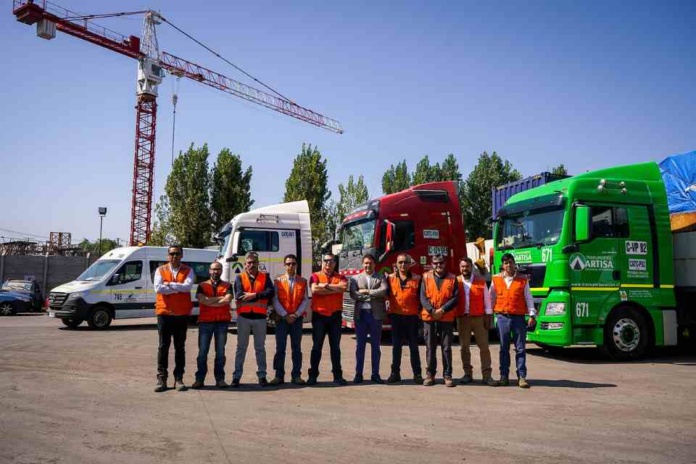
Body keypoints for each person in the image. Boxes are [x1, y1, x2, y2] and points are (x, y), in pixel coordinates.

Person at [490, 253, 536, 389]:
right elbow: (491, 297)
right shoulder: (496, 279)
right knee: (504, 348)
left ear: (514, 263)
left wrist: (532, 314)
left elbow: (528, 297)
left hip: (518, 318)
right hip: (502, 317)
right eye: (505, 263)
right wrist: (488, 314)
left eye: (510, 262)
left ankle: (521, 377)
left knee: (520, 348)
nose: (508, 265)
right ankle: (504, 376)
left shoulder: (523, 280)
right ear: (502, 265)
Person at [154, 245, 194, 393]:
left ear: (182, 255)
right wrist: (179, 287)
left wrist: (169, 284)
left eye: (177, 254)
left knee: (180, 348)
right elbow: (158, 288)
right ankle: (161, 378)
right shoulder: (160, 270)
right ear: (168, 255)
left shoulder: (188, 270)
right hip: (164, 314)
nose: (174, 256)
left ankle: (179, 378)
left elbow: (188, 287)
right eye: (172, 254)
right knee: (163, 347)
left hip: (181, 315)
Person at [232, 251, 274, 387]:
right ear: (245, 265)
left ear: (258, 264)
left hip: (260, 318)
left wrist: (253, 295)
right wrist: (259, 295)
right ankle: (236, 376)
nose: (252, 265)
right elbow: (238, 295)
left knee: (260, 348)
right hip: (244, 317)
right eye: (249, 262)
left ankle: (262, 376)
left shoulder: (265, 277)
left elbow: (270, 292)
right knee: (241, 348)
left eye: (254, 262)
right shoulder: (239, 278)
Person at [307, 253, 348, 386]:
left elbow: (343, 288)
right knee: (316, 347)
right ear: (322, 262)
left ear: (335, 263)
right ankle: (312, 376)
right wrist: (333, 289)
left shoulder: (341, 277)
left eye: (331, 261)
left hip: (335, 316)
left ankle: (338, 376)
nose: (328, 263)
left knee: (335, 348)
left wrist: (324, 287)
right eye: (326, 261)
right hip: (319, 316)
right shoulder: (315, 276)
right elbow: (314, 290)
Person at [455, 257, 497, 386]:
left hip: (479, 318)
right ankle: (467, 374)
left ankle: (487, 375)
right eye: (462, 266)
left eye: (467, 266)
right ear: (459, 268)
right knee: (464, 347)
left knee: (484, 347)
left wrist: (488, 317)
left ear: (471, 267)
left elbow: (487, 300)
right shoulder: (456, 281)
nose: (464, 269)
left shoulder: (481, 281)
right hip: (462, 318)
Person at [192, 261, 233, 389]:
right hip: (205, 322)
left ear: (221, 271)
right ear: (209, 271)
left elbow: (227, 300)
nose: (216, 272)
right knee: (203, 353)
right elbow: (202, 300)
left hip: (222, 322)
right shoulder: (202, 285)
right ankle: (199, 379)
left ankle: (220, 379)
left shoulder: (228, 285)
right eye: (213, 269)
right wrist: (218, 299)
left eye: (218, 269)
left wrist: (210, 301)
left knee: (220, 353)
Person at [420, 254, 459, 387]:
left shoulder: (453, 278)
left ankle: (447, 375)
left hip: (446, 317)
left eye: (441, 263)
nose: (438, 265)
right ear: (432, 264)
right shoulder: (425, 277)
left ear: (445, 263)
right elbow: (422, 297)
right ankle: (430, 375)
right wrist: (432, 311)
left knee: (446, 348)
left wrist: (442, 310)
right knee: (430, 347)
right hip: (429, 317)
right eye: (436, 263)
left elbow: (455, 298)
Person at [270, 254, 309, 386]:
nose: (291, 266)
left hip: (296, 320)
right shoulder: (278, 281)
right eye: (288, 264)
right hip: (282, 319)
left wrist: (296, 315)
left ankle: (296, 375)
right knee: (280, 348)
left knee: (296, 348)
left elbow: (305, 300)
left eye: (293, 263)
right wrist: (285, 314)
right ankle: (278, 376)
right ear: (284, 265)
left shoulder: (303, 281)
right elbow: (275, 299)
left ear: (296, 265)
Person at [349, 254, 388, 384]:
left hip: (375, 315)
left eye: (370, 263)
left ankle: (375, 374)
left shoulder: (381, 277)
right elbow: (353, 294)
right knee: (360, 346)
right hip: (361, 316)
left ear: (374, 264)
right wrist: (370, 296)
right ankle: (358, 374)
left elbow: (384, 291)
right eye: (365, 263)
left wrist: (366, 292)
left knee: (375, 346)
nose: (368, 265)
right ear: (362, 264)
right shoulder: (355, 278)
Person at [386, 253, 423, 385]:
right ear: (396, 263)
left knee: (414, 347)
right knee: (396, 347)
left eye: (406, 262)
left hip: (412, 318)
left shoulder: (417, 278)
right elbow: (385, 295)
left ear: (410, 263)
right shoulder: (389, 278)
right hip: (396, 317)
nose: (403, 265)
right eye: (400, 262)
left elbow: (422, 298)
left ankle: (417, 374)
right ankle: (395, 373)